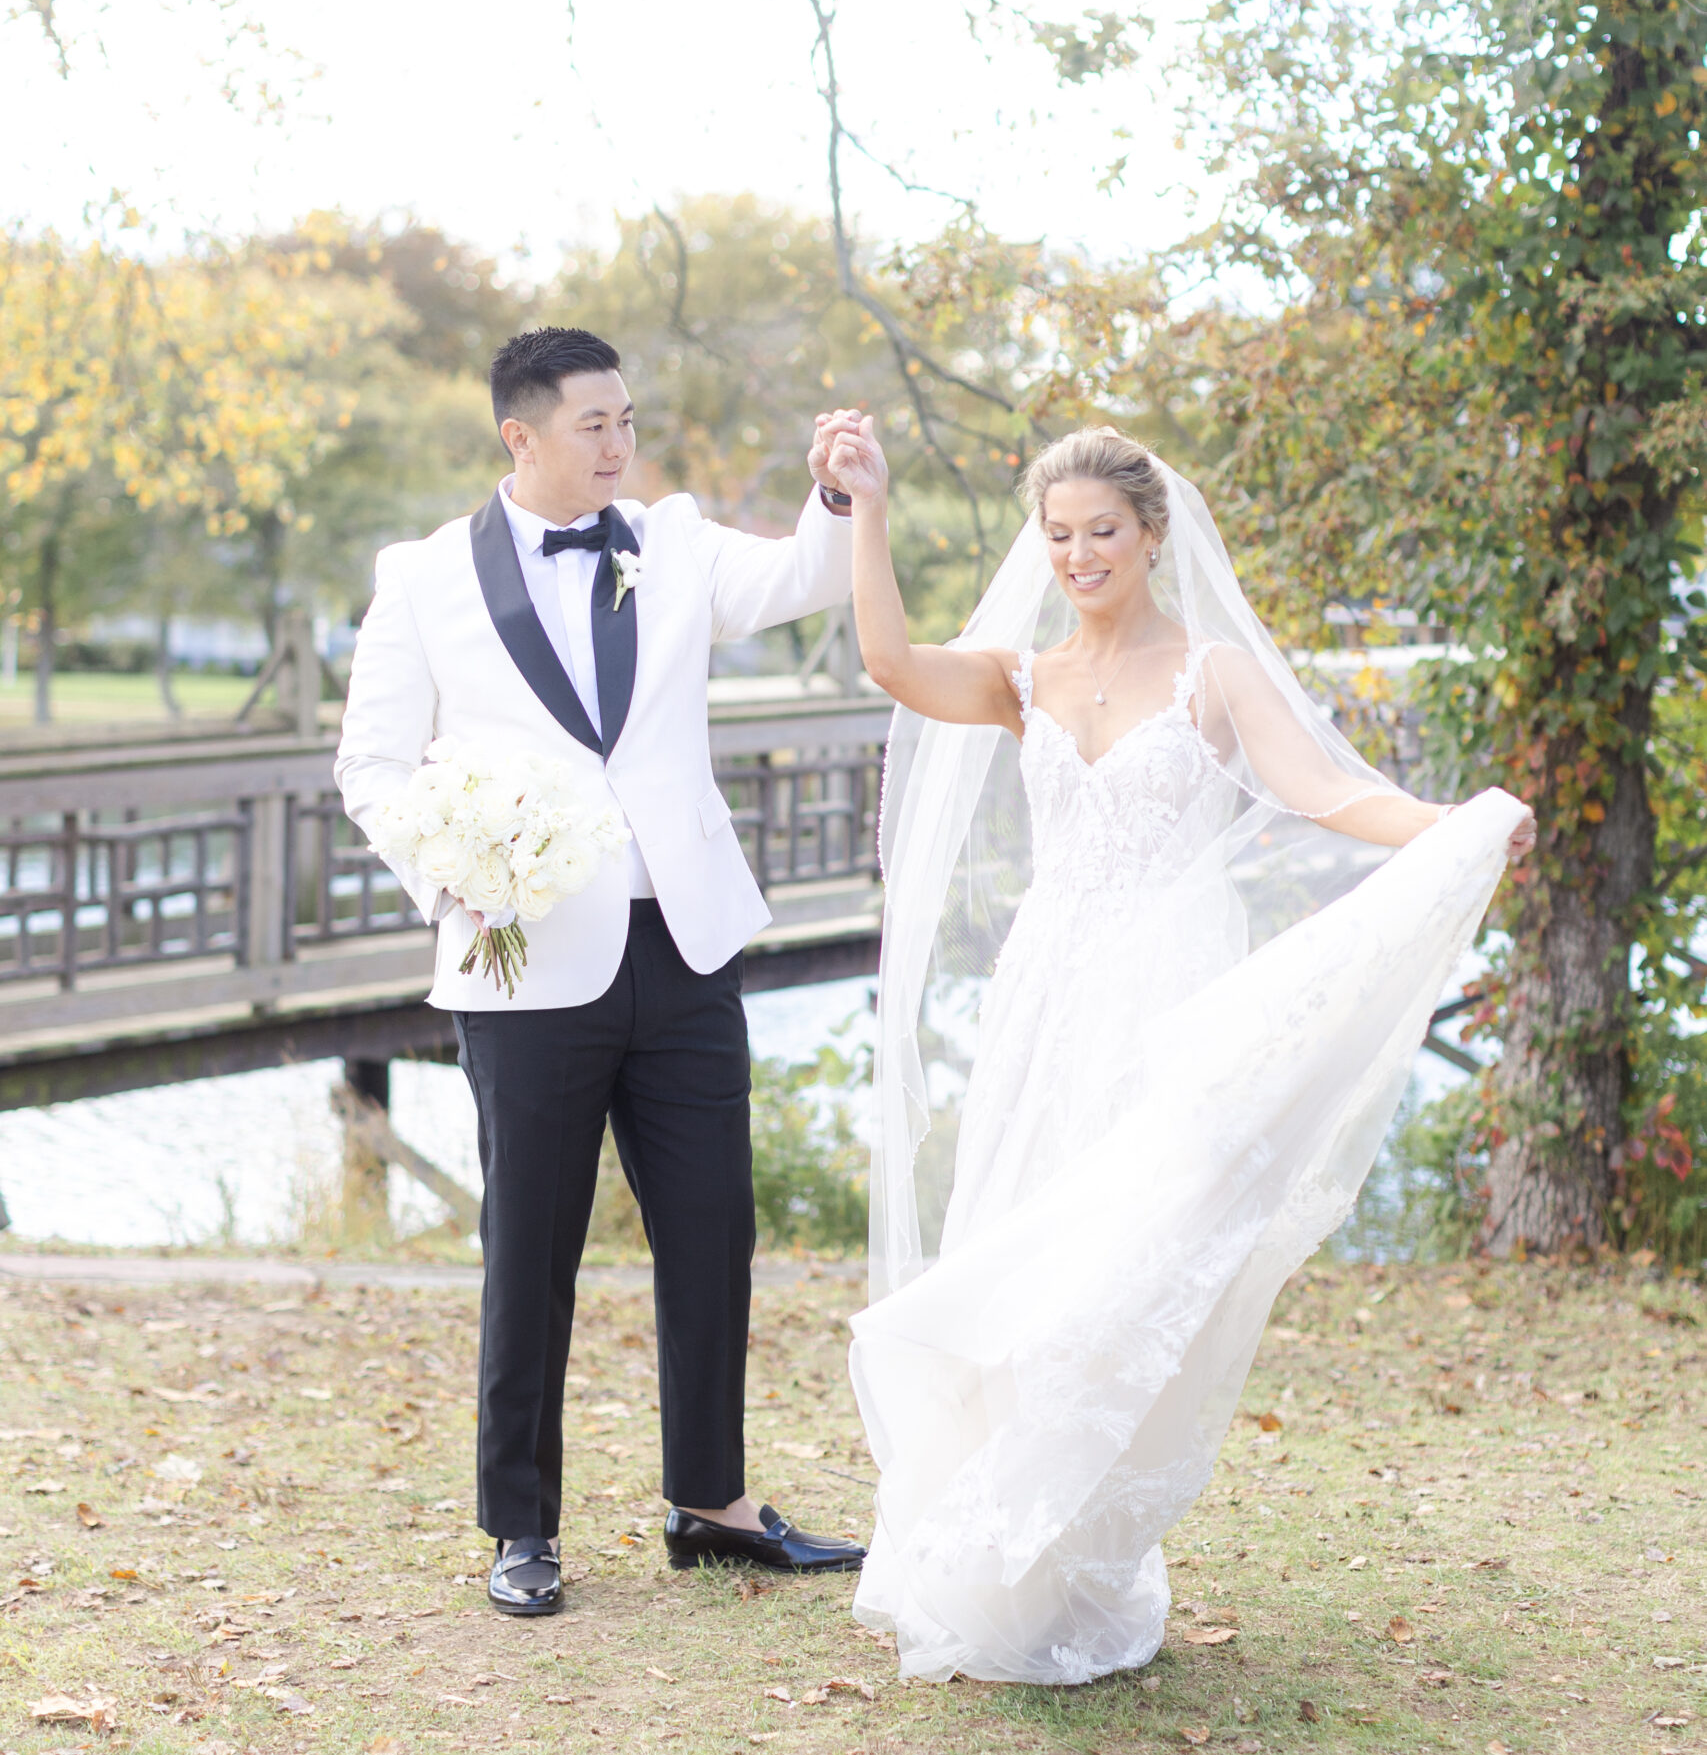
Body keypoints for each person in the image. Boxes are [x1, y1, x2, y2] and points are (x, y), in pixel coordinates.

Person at [823, 417, 1535, 1684]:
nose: (1082, 552)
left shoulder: (1212, 673)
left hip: (1168, 999)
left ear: (1152, 535)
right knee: (1032, 1259)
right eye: (1060, 535)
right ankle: (1008, 1565)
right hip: (1047, 1000)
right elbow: (887, 658)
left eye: (1104, 530)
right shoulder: (1021, 677)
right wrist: (867, 504)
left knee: (1131, 1270)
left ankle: (1084, 1551)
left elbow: (1320, 790)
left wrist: (1445, 825)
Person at [336, 326, 868, 1615]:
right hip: (522, 963)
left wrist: (840, 488)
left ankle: (712, 1502)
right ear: (520, 436)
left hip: (681, 944)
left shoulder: (673, 540)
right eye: (594, 427)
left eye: (628, 421)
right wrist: (450, 872)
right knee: (532, 1249)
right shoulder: (420, 581)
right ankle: (521, 1525)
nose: (620, 445)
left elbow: (807, 573)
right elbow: (371, 766)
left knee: (713, 1233)